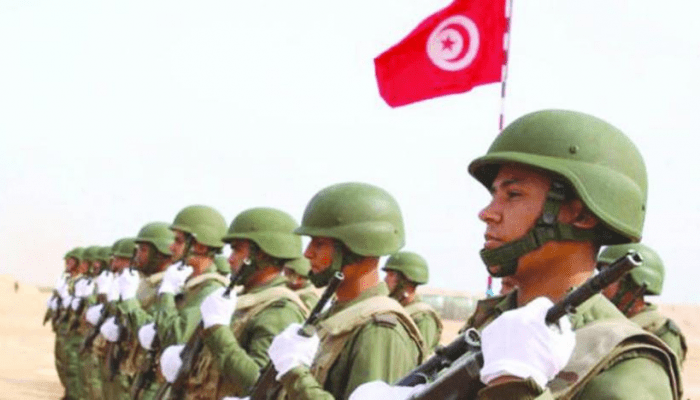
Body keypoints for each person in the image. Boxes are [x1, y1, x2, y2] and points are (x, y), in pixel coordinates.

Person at [350, 110, 683, 400]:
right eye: (495, 194)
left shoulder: (627, 363)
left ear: (581, 215)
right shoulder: (492, 326)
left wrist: (516, 388)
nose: (487, 213)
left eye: (513, 194)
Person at [266, 182, 425, 400]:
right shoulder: (338, 315)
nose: (307, 253)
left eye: (319, 243)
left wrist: (294, 374)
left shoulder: (379, 330)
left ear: (354, 248)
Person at [161, 207, 310, 399]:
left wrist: (217, 330)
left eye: (237, 249)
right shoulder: (238, 299)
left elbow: (260, 385)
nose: (230, 259)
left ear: (261, 254)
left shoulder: (279, 311)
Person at [598, 243, 688, 365]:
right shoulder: (603, 323)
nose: (600, 283)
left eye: (607, 275)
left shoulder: (661, 332)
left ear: (632, 283)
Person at [382, 251, 442, 351]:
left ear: (405, 280)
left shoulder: (423, 318)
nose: (385, 279)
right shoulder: (393, 309)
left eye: (391, 275)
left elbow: (420, 355)